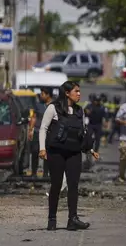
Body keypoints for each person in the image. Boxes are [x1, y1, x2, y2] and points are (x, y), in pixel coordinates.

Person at [39, 81, 99, 231]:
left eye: (79, 91)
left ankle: (73, 219)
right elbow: (43, 128)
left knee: (73, 185)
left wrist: (89, 150)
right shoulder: (53, 108)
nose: (79, 94)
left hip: (74, 152)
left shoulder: (80, 111)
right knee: (56, 185)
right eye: (76, 91)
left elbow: (82, 134)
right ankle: (52, 219)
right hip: (56, 152)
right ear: (67, 93)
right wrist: (42, 149)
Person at [30, 87, 53, 177]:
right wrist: (30, 129)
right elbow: (34, 117)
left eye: (43, 94)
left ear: (48, 95)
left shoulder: (55, 106)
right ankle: (33, 173)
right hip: (37, 131)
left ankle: (46, 173)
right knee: (35, 151)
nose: (41, 95)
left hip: (49, 133)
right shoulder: (38, 105)